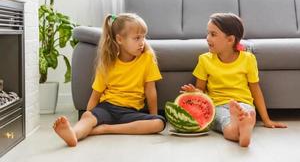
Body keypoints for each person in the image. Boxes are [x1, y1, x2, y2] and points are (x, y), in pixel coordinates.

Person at [53, 13, 166, 147]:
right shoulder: (108, 63)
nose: (142, 42)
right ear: (119, 39)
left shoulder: (147, 59)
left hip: (131, 112)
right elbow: (96, 95)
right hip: (107, 108)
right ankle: (74, 134)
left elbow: (150, 91)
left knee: (159, 123)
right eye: (136, 38)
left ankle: (105, 129)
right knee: (88, 117)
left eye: (143, 37)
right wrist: (89, 114)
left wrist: (153, 116)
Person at [181, 13, 287, 147]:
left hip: (243, 103)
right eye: (208, 33)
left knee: (248, 113)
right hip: (217, 105)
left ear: (230, 39)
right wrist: (194, 92)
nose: (207, 38)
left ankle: (243, 127)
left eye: (213, 34)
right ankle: (241, 131)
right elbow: (201, 90)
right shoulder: (204, 60)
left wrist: (266, 120)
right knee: (226, 122)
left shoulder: (248, 59)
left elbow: (255, 89)